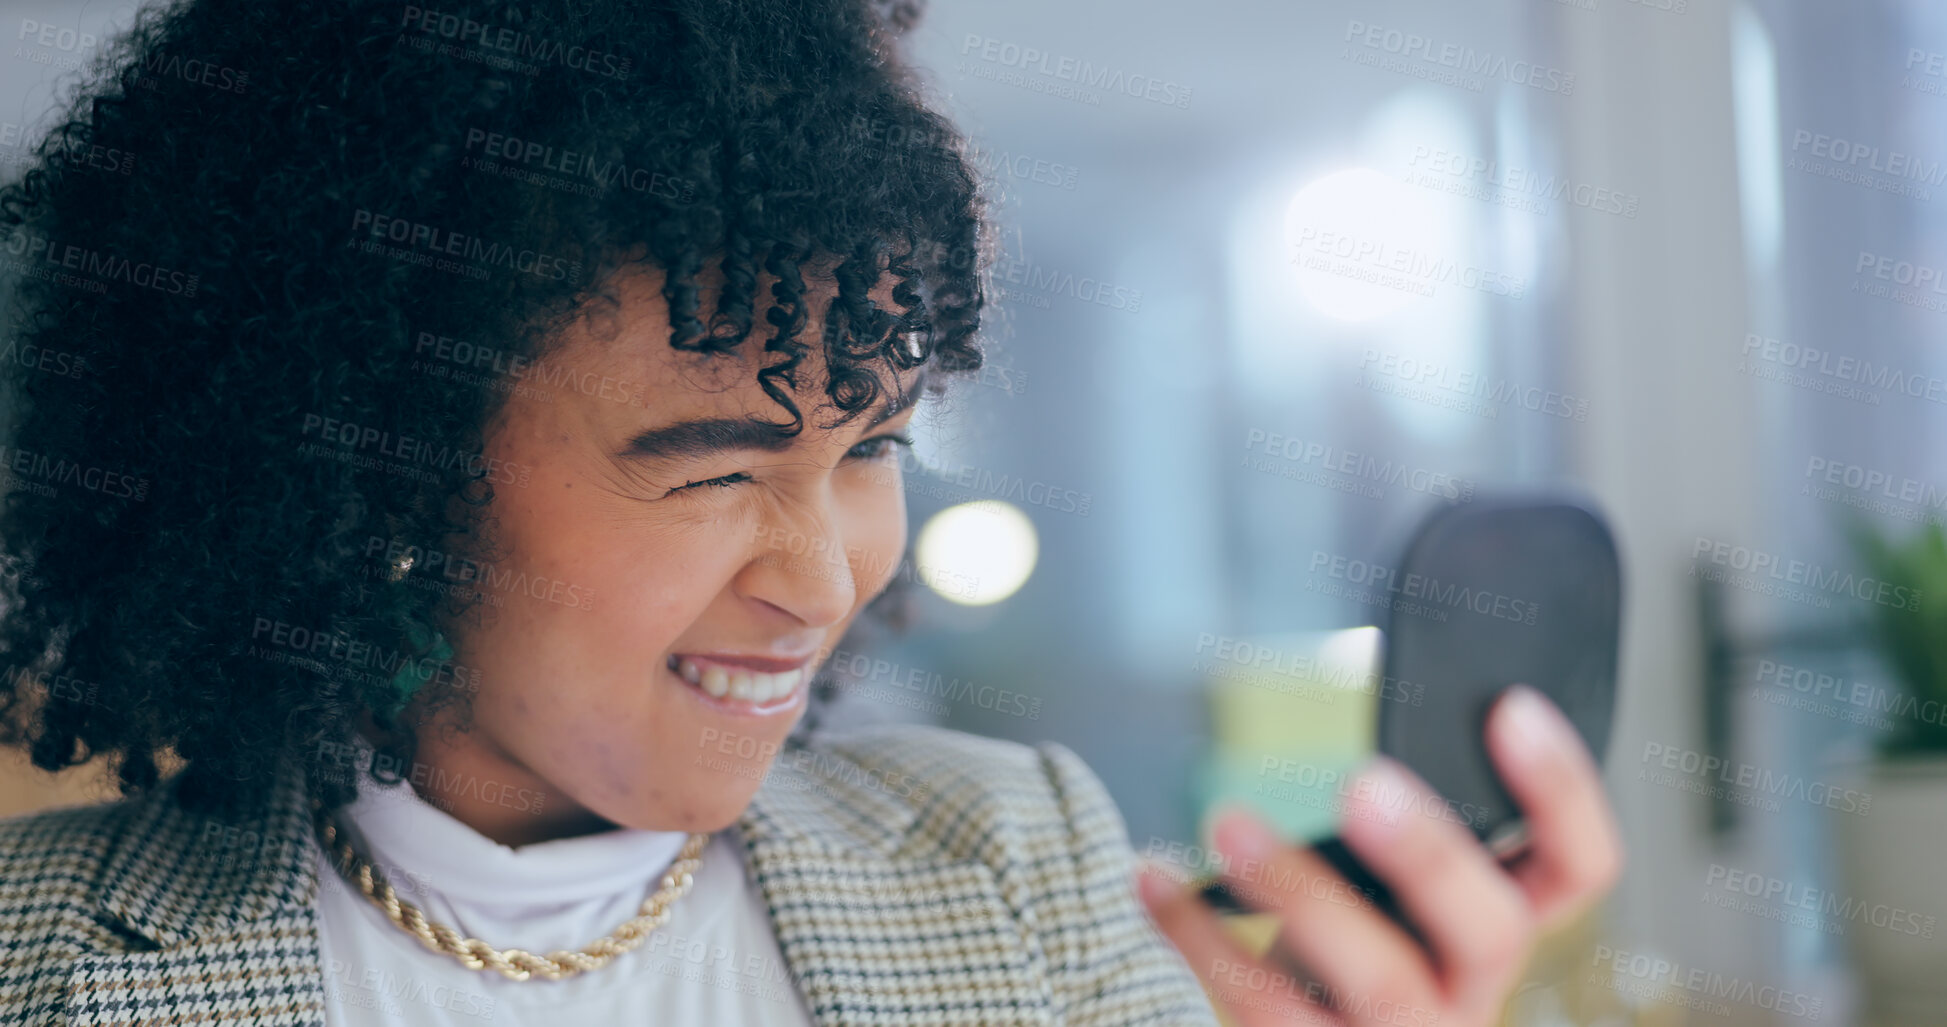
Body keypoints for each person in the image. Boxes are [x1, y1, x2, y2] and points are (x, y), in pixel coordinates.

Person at [0, 0, 1623, 1023]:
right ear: (372, 474)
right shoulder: (40, 962)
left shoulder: (1011, 868)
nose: (821, 575)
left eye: (870, 450)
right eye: (713, 467)